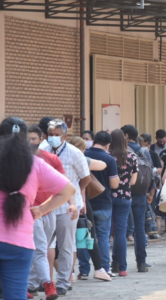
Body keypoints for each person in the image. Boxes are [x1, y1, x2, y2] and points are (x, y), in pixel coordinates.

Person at [0, 117, 75, 300]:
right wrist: (41, 210)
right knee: (16, 295)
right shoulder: (36, 164)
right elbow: (68, 190)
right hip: (20, 242)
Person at [41, 119, 90, 295]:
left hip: (69, 206)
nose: (54, 138)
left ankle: (63, 281)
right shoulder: (42, 151)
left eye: (57, 135)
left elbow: (85, 177)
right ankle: (44, 281)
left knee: (66, 244)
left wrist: (77, 195)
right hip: (46, 204)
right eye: (51, 135)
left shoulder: (75, 153)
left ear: (64, 136)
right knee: (43, 244)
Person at [27, 125, 69, 299]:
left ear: (40, 139)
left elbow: (66, 185)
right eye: (27, 139)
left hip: (50, 210)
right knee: (40, 249)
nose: (30, 142)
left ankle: (28, 285)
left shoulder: (51, 159)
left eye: (34, 139)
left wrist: (72, 204)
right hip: (31, 212)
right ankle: (48, 284)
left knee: (40, 250)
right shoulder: (17, 161)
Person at [66, 136, 112, 282]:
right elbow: (102, 165)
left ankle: (71, 272)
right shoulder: (79, 158)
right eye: (83, 149)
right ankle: (98, 269)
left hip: (62, 200)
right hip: (79, 201)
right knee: (88, 235)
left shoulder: (60, 158)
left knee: (67, 239)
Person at [84, 131, 120, 278]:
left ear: (93, 141)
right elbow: (114, 184)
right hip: (104, 203)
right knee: (103, 237)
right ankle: (104, 268)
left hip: (86, 203)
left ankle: (84, 270)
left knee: (84, 237)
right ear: (108, 145)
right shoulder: (109, 159)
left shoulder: (83, 155)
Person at [121, 125, 152, 273]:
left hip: (123, 192)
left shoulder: (121, 152)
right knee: (140, 228)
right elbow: (152, 173)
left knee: (122, 228)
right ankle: (141, 262)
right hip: (141, 193)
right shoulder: (144, 151)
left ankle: (118, 263)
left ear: (126, 136)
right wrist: (150, 191)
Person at [108, 129, 138, 276]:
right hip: (125, 197)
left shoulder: (107, 157)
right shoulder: (132, 156)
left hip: (108, 197)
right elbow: (133, 180)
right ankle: (122, 267)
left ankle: (105, 265)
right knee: (121, 232)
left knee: (106, 232)